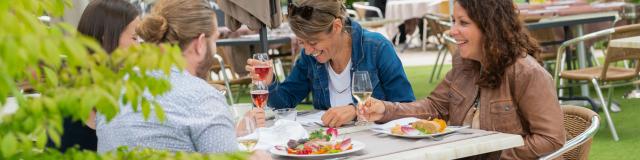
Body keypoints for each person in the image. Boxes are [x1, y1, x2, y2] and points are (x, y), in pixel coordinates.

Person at [362, 0, 565, 159]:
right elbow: (434, 107)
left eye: (463, 23)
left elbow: (551, 139)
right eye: (453, 21)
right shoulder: (465, 63)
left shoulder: (526, 73)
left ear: (490, 27)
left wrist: (490, 154)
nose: (452, 30)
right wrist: (385, 109)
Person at [95, 0, 266, 154]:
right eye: (213, 40)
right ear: (200, 43)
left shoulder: (114, 91)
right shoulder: (203, 99)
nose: (214, 48)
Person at [245, 0, 415, 128]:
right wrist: (270, 81)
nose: (308, 51)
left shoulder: (376, 48)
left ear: (336, 26)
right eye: (302, 42)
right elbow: (285, 102)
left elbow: (407, 106)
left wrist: (356, 111)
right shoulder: (309, 58)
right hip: (328, 148)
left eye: (313, 42)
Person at [49, 0, 140, 152]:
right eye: (135, 38)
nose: (139, 47)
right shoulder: (66, 113)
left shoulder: (129, 94)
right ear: (107, 37)